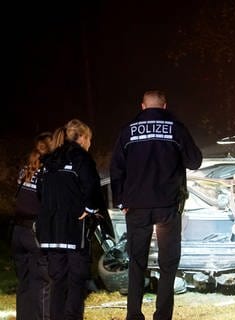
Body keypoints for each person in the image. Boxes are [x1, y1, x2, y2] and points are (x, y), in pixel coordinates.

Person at [110, 90, 202, 320]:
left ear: (142, 106)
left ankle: (133, 315)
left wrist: (120, 199)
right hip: (167, 205)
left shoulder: (127, 131)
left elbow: (116, 168)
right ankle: (162, 315)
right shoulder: (176, 128)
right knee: (168, 263)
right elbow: (195, 161)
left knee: (136, 262)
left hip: (136, 206)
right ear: (164, 106)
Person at [36, 119, 114, 320]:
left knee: (57, 281)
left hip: (50, 232)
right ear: (82, 137)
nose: (90, 144)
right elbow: (92, 187)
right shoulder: (81, 157)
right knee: (76, 281)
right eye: (90, 139)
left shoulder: (49, 159)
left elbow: (40, 192)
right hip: (74, 230)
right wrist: (89, 208)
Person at [11, 132, 53, 320]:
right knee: (44, 281)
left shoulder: (26, 168)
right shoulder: (47, 172)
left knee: (25, 281)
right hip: (35, 232)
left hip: (17, 232)